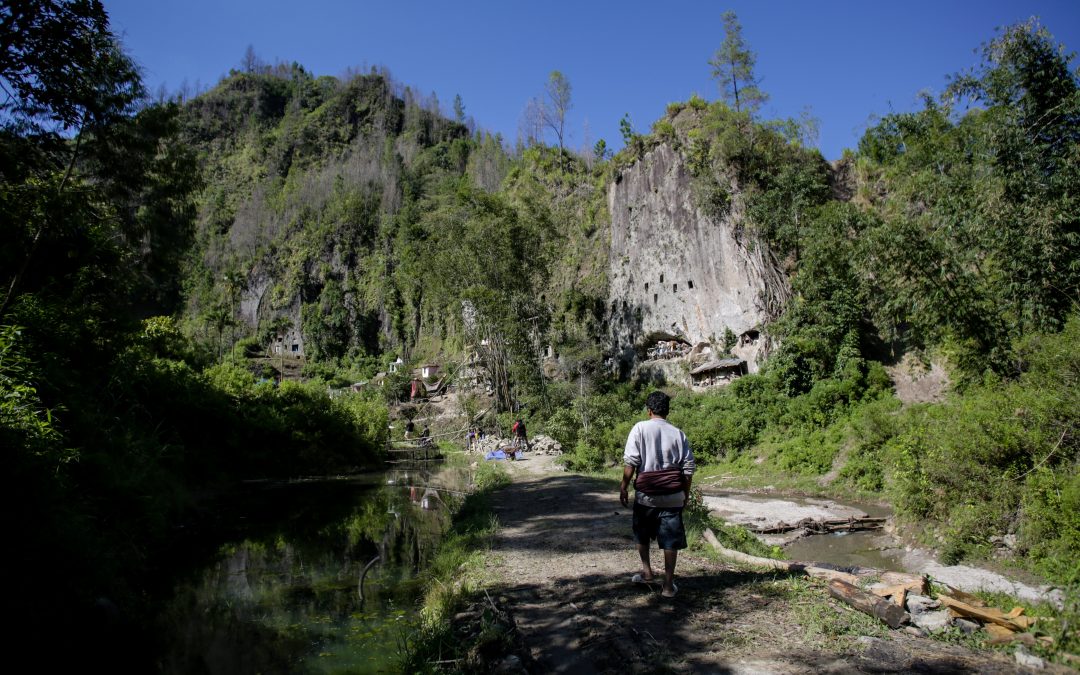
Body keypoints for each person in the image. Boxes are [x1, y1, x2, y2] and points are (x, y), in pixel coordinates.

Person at [619, 390, 695, 599]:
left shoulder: (640, 428)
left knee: (642, 533)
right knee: (671, 540)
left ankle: (647, 573)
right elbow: (687, 471)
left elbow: (631, 462)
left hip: (646, 497)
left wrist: (624, 486)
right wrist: (685, 495)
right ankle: (668, 586)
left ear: (649, 410)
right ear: (667, 411)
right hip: (673, 496)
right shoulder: (679, 434)